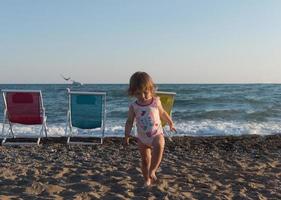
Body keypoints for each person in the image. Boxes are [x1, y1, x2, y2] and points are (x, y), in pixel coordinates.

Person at [124, 71, 176, 186]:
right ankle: (147, 179)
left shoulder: (155, 101)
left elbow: (163, 113)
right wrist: (126, 135)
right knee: (145, 161)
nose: (142, 96)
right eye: (138, 94)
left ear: (151, 89)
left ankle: (153, 171)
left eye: (145, 92)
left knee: (159, 145)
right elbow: (129, 122)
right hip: (142, 138)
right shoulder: (134, 106)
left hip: (156, 134)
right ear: (133, 93)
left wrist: (171, 123)